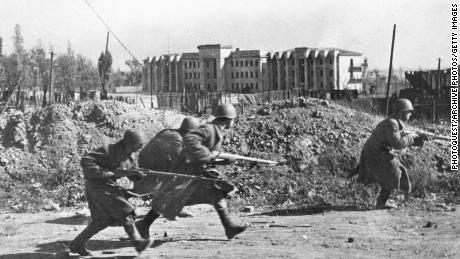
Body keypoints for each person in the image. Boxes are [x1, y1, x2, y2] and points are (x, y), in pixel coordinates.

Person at [135, 103, 247, 240]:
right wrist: (208, 155)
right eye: (234, 119)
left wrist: (223, 160)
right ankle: (143, 225)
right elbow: (190, 139)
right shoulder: (209, 129)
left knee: (217, 193)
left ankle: (229, 227)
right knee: (168, 199)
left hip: (200, 172)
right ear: (229, 119)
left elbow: (205, 154)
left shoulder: (217, 131)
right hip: (187, 172)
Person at [69, 129, 153, 256]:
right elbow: (86, 160)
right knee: (125, 212)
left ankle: (77, 244)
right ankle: (138, 242)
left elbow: (130, 171)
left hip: (109, 186)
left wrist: (138, 174)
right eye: (139, 145)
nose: (141, 148)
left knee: (103, 220)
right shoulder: (109, 150)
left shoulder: (132, 155)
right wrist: (105, 172)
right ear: (129, 143)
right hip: (97, 186)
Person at [133, 117, 201, 238]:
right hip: (151, 165)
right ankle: (167, 209)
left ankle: (173, 208)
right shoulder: (178, 140)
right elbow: (177, 162)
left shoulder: (170, 132)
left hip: (148, 160)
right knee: (173, 187)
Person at [354, 98, 425, 209]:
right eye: (408, 112)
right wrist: (411, 137)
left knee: (393, 171)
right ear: (401, 112)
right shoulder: (392, 123)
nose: (410, 114)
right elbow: (397, 143)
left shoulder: (395, 122)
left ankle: (381, 203)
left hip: (378, 152)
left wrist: (418, 139)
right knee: (394, 170)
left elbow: (399, 138)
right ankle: (381, 203)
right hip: (374, 153)